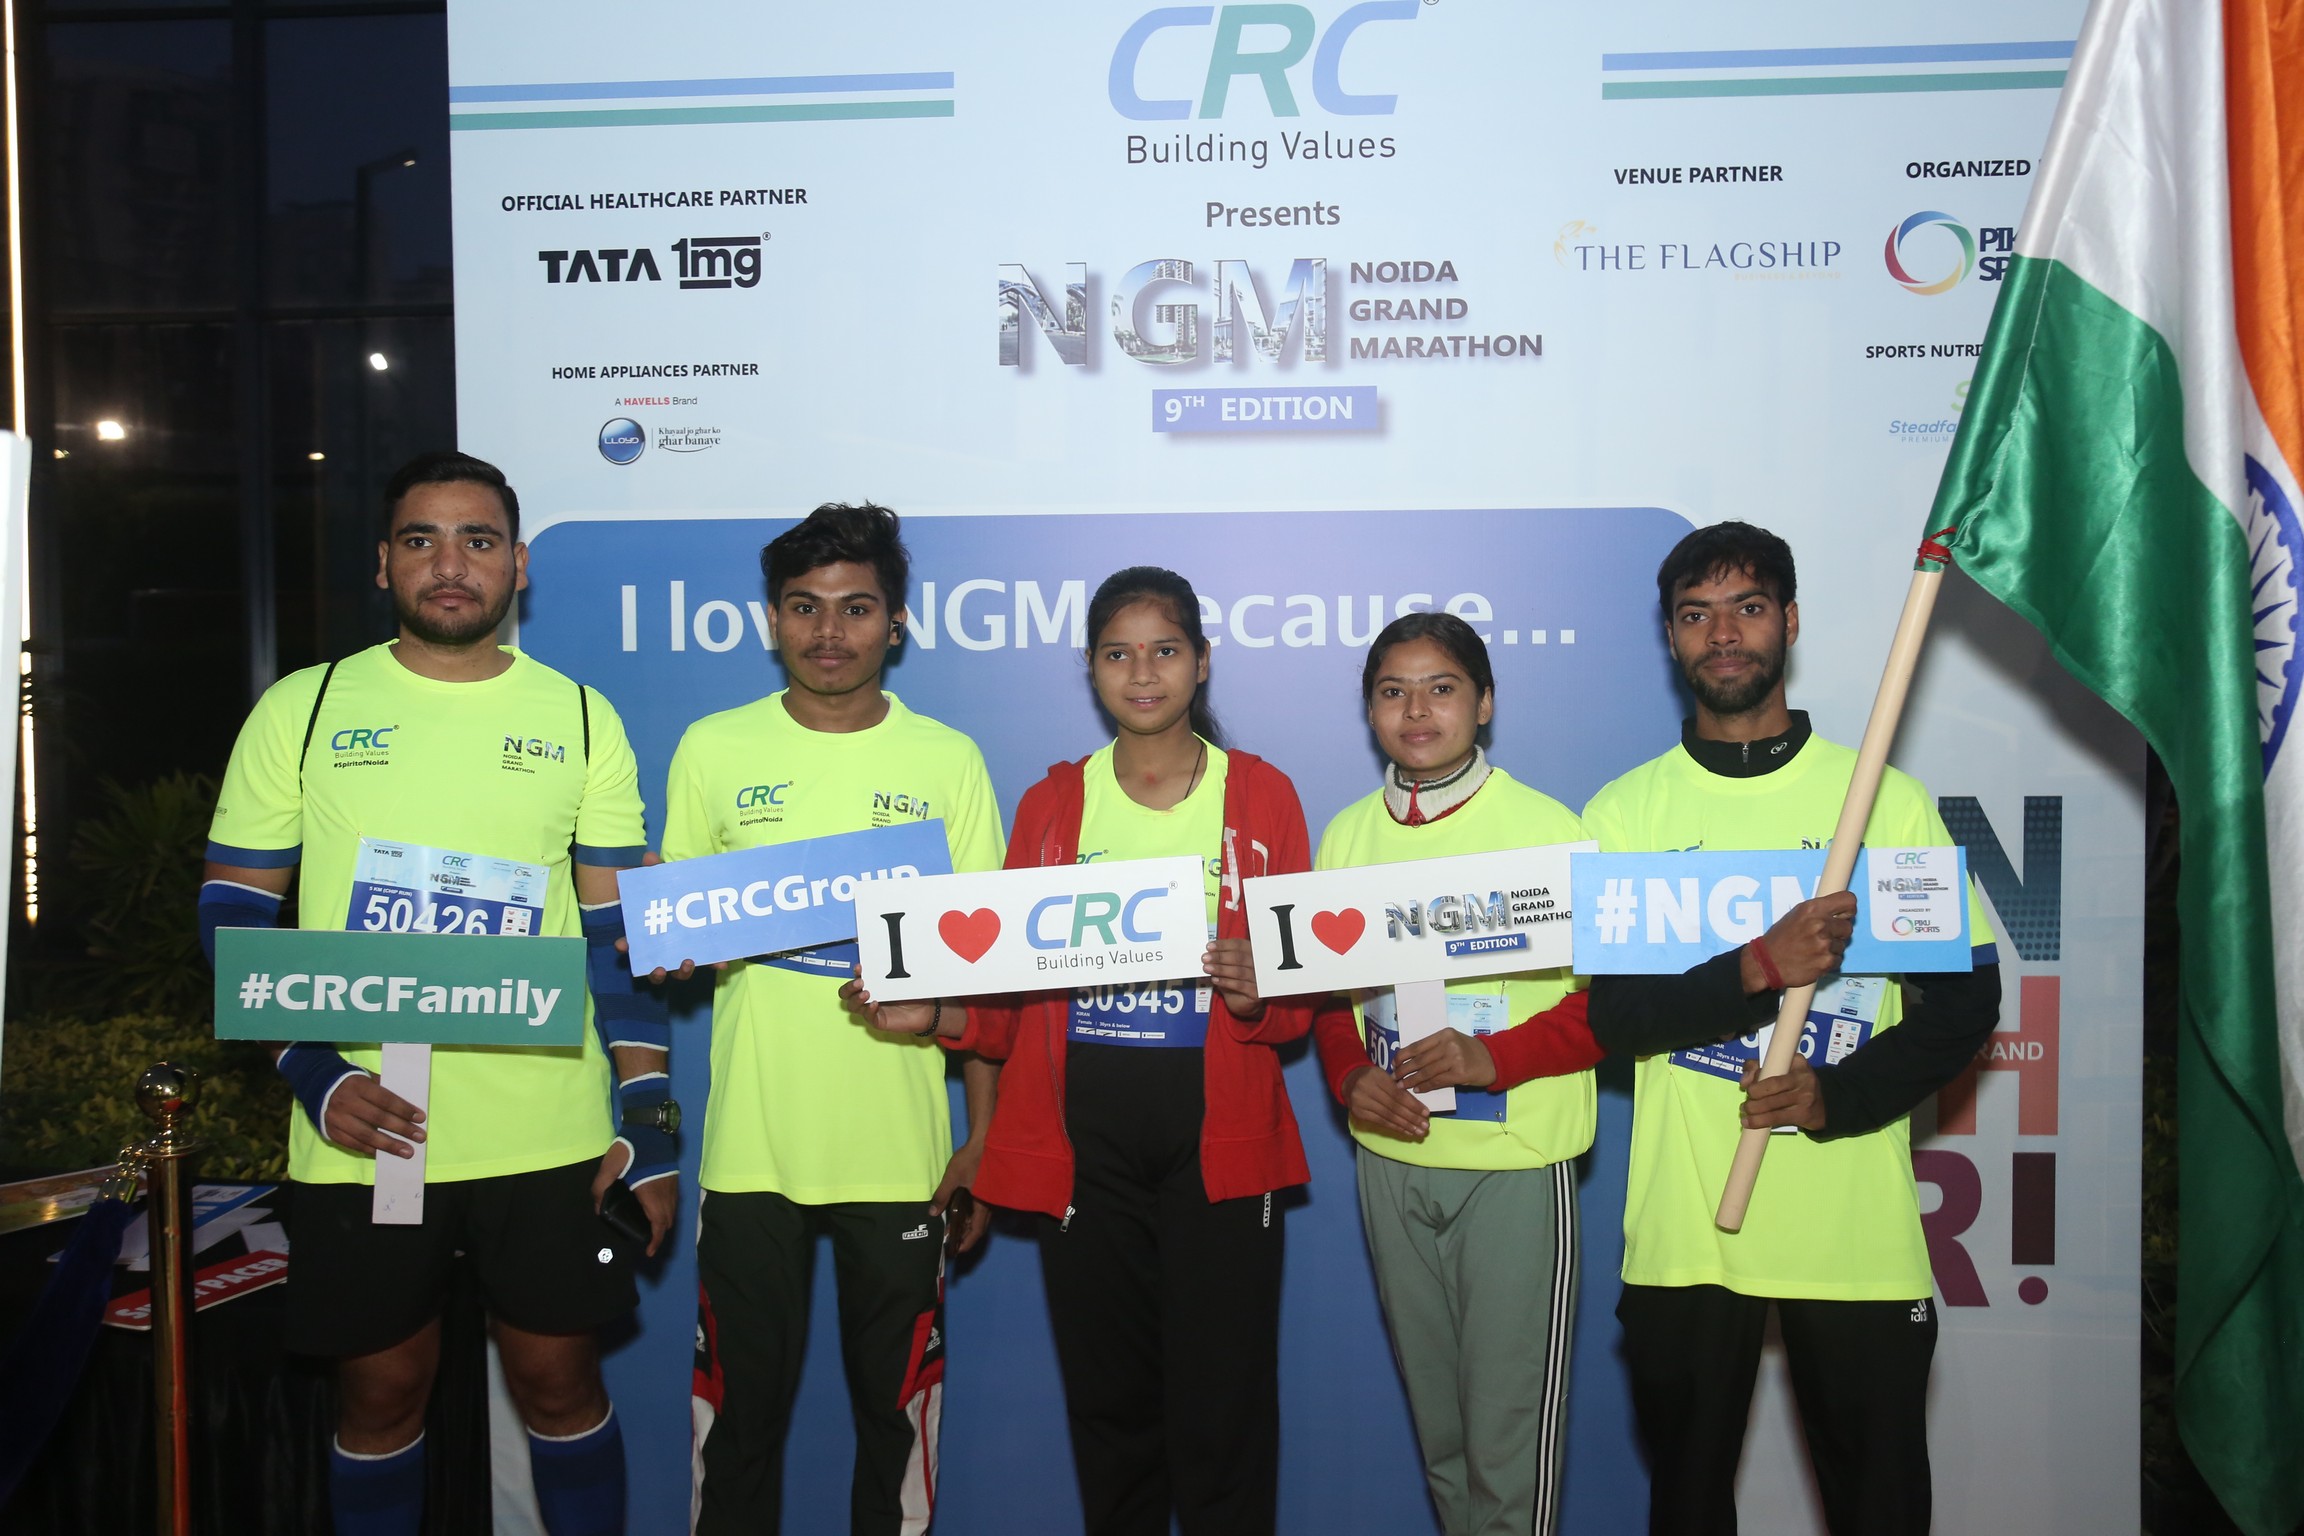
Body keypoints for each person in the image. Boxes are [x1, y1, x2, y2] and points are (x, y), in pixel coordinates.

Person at [199, 450, 673, 1536]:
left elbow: (614, 937)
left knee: (559, 1385)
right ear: (383, 563)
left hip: (547, 1128)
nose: (450, 564)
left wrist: (648, 1115)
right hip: (370, 1122)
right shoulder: (305, 708)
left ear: (518, 567)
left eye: (478, 540)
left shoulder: (583, 718)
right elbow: (232, 910)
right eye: (422, 540)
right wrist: (313, 1072)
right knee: (380, 1394)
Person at [1582, 521, 2002, 1536]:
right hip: (1687, 1239)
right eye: (1696, 615)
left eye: (1748, 608)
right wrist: (1757, 969)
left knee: (1880, 1509)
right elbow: (1614, 1016)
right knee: (1687, 1508)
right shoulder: (1624, 815)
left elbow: (1965, 1006)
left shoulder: (1882, 803)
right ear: (1671, 638)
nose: (1723, 634)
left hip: (1854, 1235)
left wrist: (1834, 1098)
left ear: (1791, 621)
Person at [918, 565, 1314, 1535]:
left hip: (1219, 1147)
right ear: (1090, 667)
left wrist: (1262, 993)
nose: (1143, 673)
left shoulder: (1263, 795)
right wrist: (935, 1016)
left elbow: (1301, 1005)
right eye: (1118, 653)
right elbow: (1007, 1001)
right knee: (1111, 1416)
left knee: (1224, 1418)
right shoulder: (1052, 805)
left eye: (1165, 650)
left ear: (1203, 662)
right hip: (1083, 1151)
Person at [669, 503, 1004, 1536]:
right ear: (772, 619)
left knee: (894, 1431)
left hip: (901, 1153)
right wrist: (674, 935)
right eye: (805, 607)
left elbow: (990, 980)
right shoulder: (713, 748)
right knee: (736, 1431)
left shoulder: (948, 760)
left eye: (856, 608)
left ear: (894, 623)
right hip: (752, 1151)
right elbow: (675, 937)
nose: (829, 631)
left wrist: (982, 1139)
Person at [1307, 611, 1606, 1536]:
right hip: (1392, 1161)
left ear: (1485, 703)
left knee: (1507, 1447)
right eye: (1392, 692)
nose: (1417, 711)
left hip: (1512, 1162)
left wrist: (1494, 1057)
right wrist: (1348, 1077)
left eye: (1441, 689)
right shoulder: (1346, 835)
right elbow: (1325, 999)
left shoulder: (1550, 830)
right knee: (1441, 1441)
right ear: (1369, 710)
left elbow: (1607, 1008)